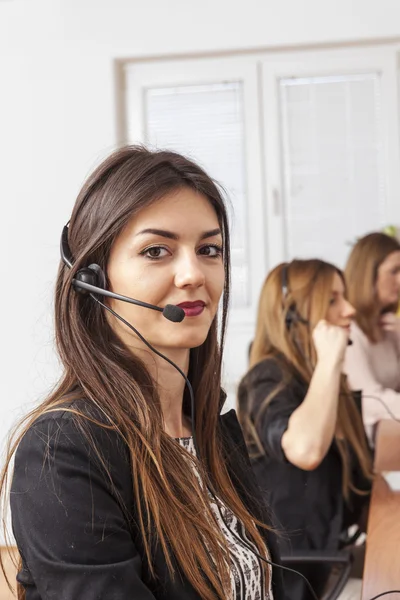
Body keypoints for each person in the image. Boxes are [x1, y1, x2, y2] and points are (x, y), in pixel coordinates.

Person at [1, 146, 284, 600]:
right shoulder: (65, 450)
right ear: (93, 276)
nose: (193, 274)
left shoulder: (211, 433)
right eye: (157, 251)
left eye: (209, 249)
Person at [237, 259, 373, 600]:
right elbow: (305, 450)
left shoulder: (326, 384)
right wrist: (329, 362)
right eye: (333, 300)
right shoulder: (266, 379)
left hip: (332, 555)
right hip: (297, 576)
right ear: (292, 315)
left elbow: (359, 486)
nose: (350, 309)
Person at [344, 232, 400, 444]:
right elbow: (369, 400)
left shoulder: (389, 327)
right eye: (393, 271)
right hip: (365, 445)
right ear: (368, 275)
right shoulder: (351, 331)